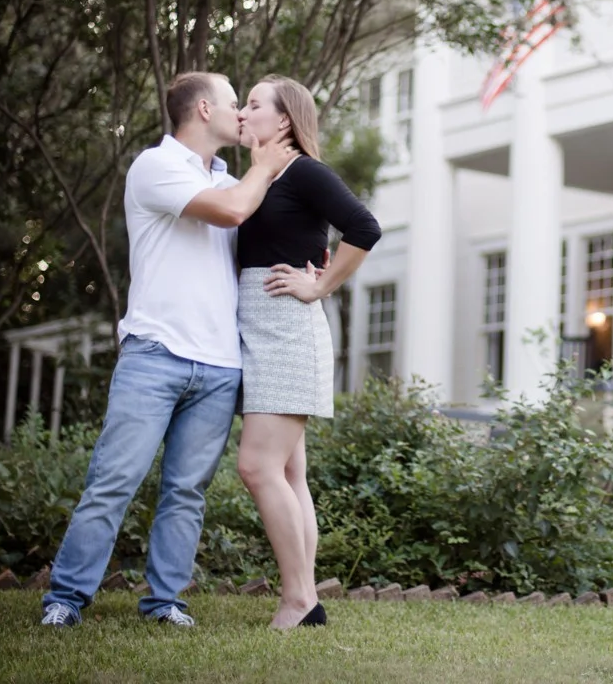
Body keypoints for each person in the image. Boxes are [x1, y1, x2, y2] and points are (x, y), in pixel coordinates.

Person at [41, 73, 297, 627]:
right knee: (114, 482)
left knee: (186, 493)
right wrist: (264, 165)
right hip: (155, 353)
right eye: (235, 104)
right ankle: (66, 599)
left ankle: (166, 603)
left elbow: (260, 235)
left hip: (221, 363)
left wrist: (310, 272)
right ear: (204, 109)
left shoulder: (233, 177)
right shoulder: (156, 167)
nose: (243, 114)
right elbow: (229, 213)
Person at [233, 75, 381, 629]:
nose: (242, 114)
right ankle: (305, 601)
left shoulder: (305, 172)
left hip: (288, 330)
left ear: (284, 122)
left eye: (253, 105)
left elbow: (365, 227)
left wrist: (320, 286)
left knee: (257, 466)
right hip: (258, 327)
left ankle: (299, 598)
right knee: (290, 473)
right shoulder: (261, 176)